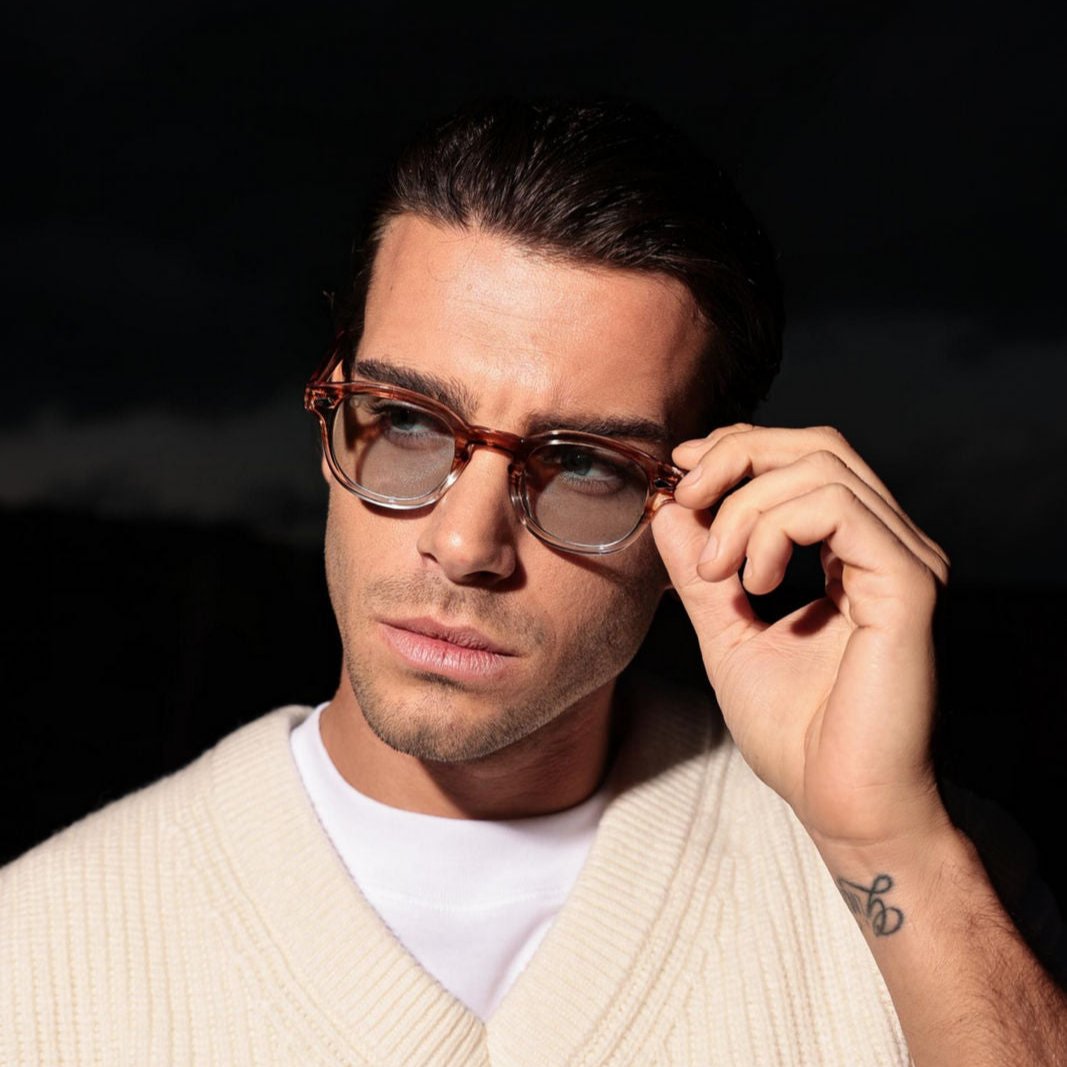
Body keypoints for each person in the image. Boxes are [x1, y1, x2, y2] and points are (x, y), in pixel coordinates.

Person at [2, 95, 1065, 1066]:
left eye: (585, 465)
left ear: (705, 496)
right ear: (332, 408)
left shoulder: (923, 884)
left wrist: (885, 840)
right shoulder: (38, 954)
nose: (466, 543)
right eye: (407, 421)